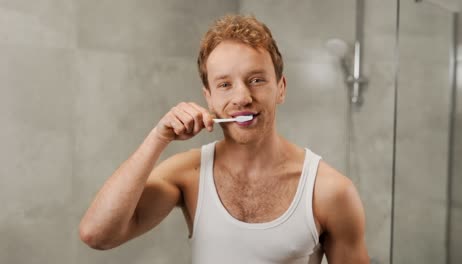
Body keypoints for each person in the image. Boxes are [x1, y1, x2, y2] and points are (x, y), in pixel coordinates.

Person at [79, 14, 370, 264]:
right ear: (209, 97)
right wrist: (158, 137)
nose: (242, 97)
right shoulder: (188, 174)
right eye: (225, 84)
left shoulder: (331, 191)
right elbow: (97, 234)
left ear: (281, 88)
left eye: (257, 80)